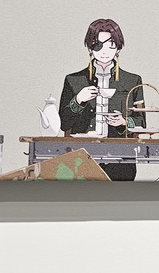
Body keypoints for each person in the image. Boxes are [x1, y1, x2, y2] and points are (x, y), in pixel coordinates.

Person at [58, 18, 145, 181]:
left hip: (120, 159)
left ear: (118, 49)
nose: (105, 51)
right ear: (90, 48)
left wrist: (123, 122)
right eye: (98, 45)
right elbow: (63, 123)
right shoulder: (74, 80)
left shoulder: (132, 81)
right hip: (81, 157)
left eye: (111, 45)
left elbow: (142, 122)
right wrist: (78, 100)